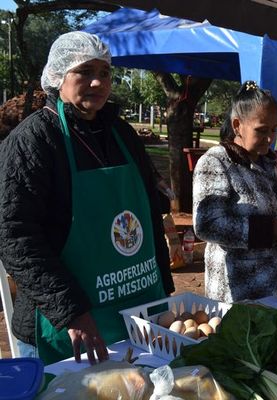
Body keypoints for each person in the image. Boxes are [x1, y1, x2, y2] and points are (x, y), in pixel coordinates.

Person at [0, 32, 174, 364]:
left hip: (136, 313)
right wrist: (71, 312)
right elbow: (14, 235)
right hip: (66, 327)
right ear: (58, 77)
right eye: (84, 71)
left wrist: (162, 287)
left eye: (104, 72)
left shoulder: (121, 134)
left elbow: (149, 211)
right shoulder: (33, 140)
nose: (97, 82)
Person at [193, 81, 277, 302]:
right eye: (262, 130)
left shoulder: (271, 162)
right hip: (239, 295)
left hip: (276, 288)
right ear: (237, 125)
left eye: (274, 130)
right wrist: (270, 229)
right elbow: (207, 224)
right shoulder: (216, 161)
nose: (270, 138)